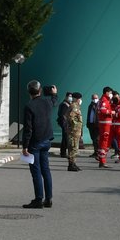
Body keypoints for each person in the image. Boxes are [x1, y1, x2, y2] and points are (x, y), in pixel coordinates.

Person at [20, 79, 55, 209]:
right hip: (47, 139)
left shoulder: (29, 106)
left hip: (35, 142)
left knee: (36, 171)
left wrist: (25, 146)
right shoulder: (47, 102)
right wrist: (54, 93)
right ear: (40, 90)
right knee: (46, 170)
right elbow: (54, 100)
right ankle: (49, 198)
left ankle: (38, 199)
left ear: (29, 92)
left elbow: (28, 128)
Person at [93, 86, 115, 168]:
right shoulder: (104, 100)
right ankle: (102, 161)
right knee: (104, 142)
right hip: (105, 124)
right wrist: (111, 112)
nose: (111, 94)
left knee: (103, 141)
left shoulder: (103, 100)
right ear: (107, 92)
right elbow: (103, 110)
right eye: (110, 93)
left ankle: (101, 159)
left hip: (104, 124)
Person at [63, 92, 84, 172]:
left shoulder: (75, 106)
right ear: (76, 99)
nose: (80, 100)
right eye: (79, 99)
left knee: (74, 147)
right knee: (73, 147)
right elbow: (70, 117)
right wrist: (75, 126)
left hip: (75, 131)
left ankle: (73, 163)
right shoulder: (74, 106)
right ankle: (71, 165)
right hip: (74, 131)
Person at [54, 85, 70, 158]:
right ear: (66, 97)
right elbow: (62, 115)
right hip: (65, 124)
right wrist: (65, 125)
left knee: (65, 138)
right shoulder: (64, 104)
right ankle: (63, 153)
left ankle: (63, 152)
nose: (70, 98)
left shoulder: (67, 104)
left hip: (65, 123)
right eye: (69, 96)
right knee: (65, 138)